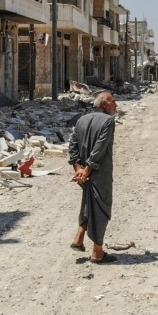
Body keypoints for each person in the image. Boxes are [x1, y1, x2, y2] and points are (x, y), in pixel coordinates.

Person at [69, 92, 118, 263]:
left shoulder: (82, 119)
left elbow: (72, 144)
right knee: (101, 210)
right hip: (99, 173)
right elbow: (100, 147)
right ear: (104, 104)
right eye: (113, 102)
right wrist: (87, 169)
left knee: (88, 202)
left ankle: (79, 238)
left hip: (83, 173)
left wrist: (78, 168)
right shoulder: (108, 121)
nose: (116, 105)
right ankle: (97, 252)